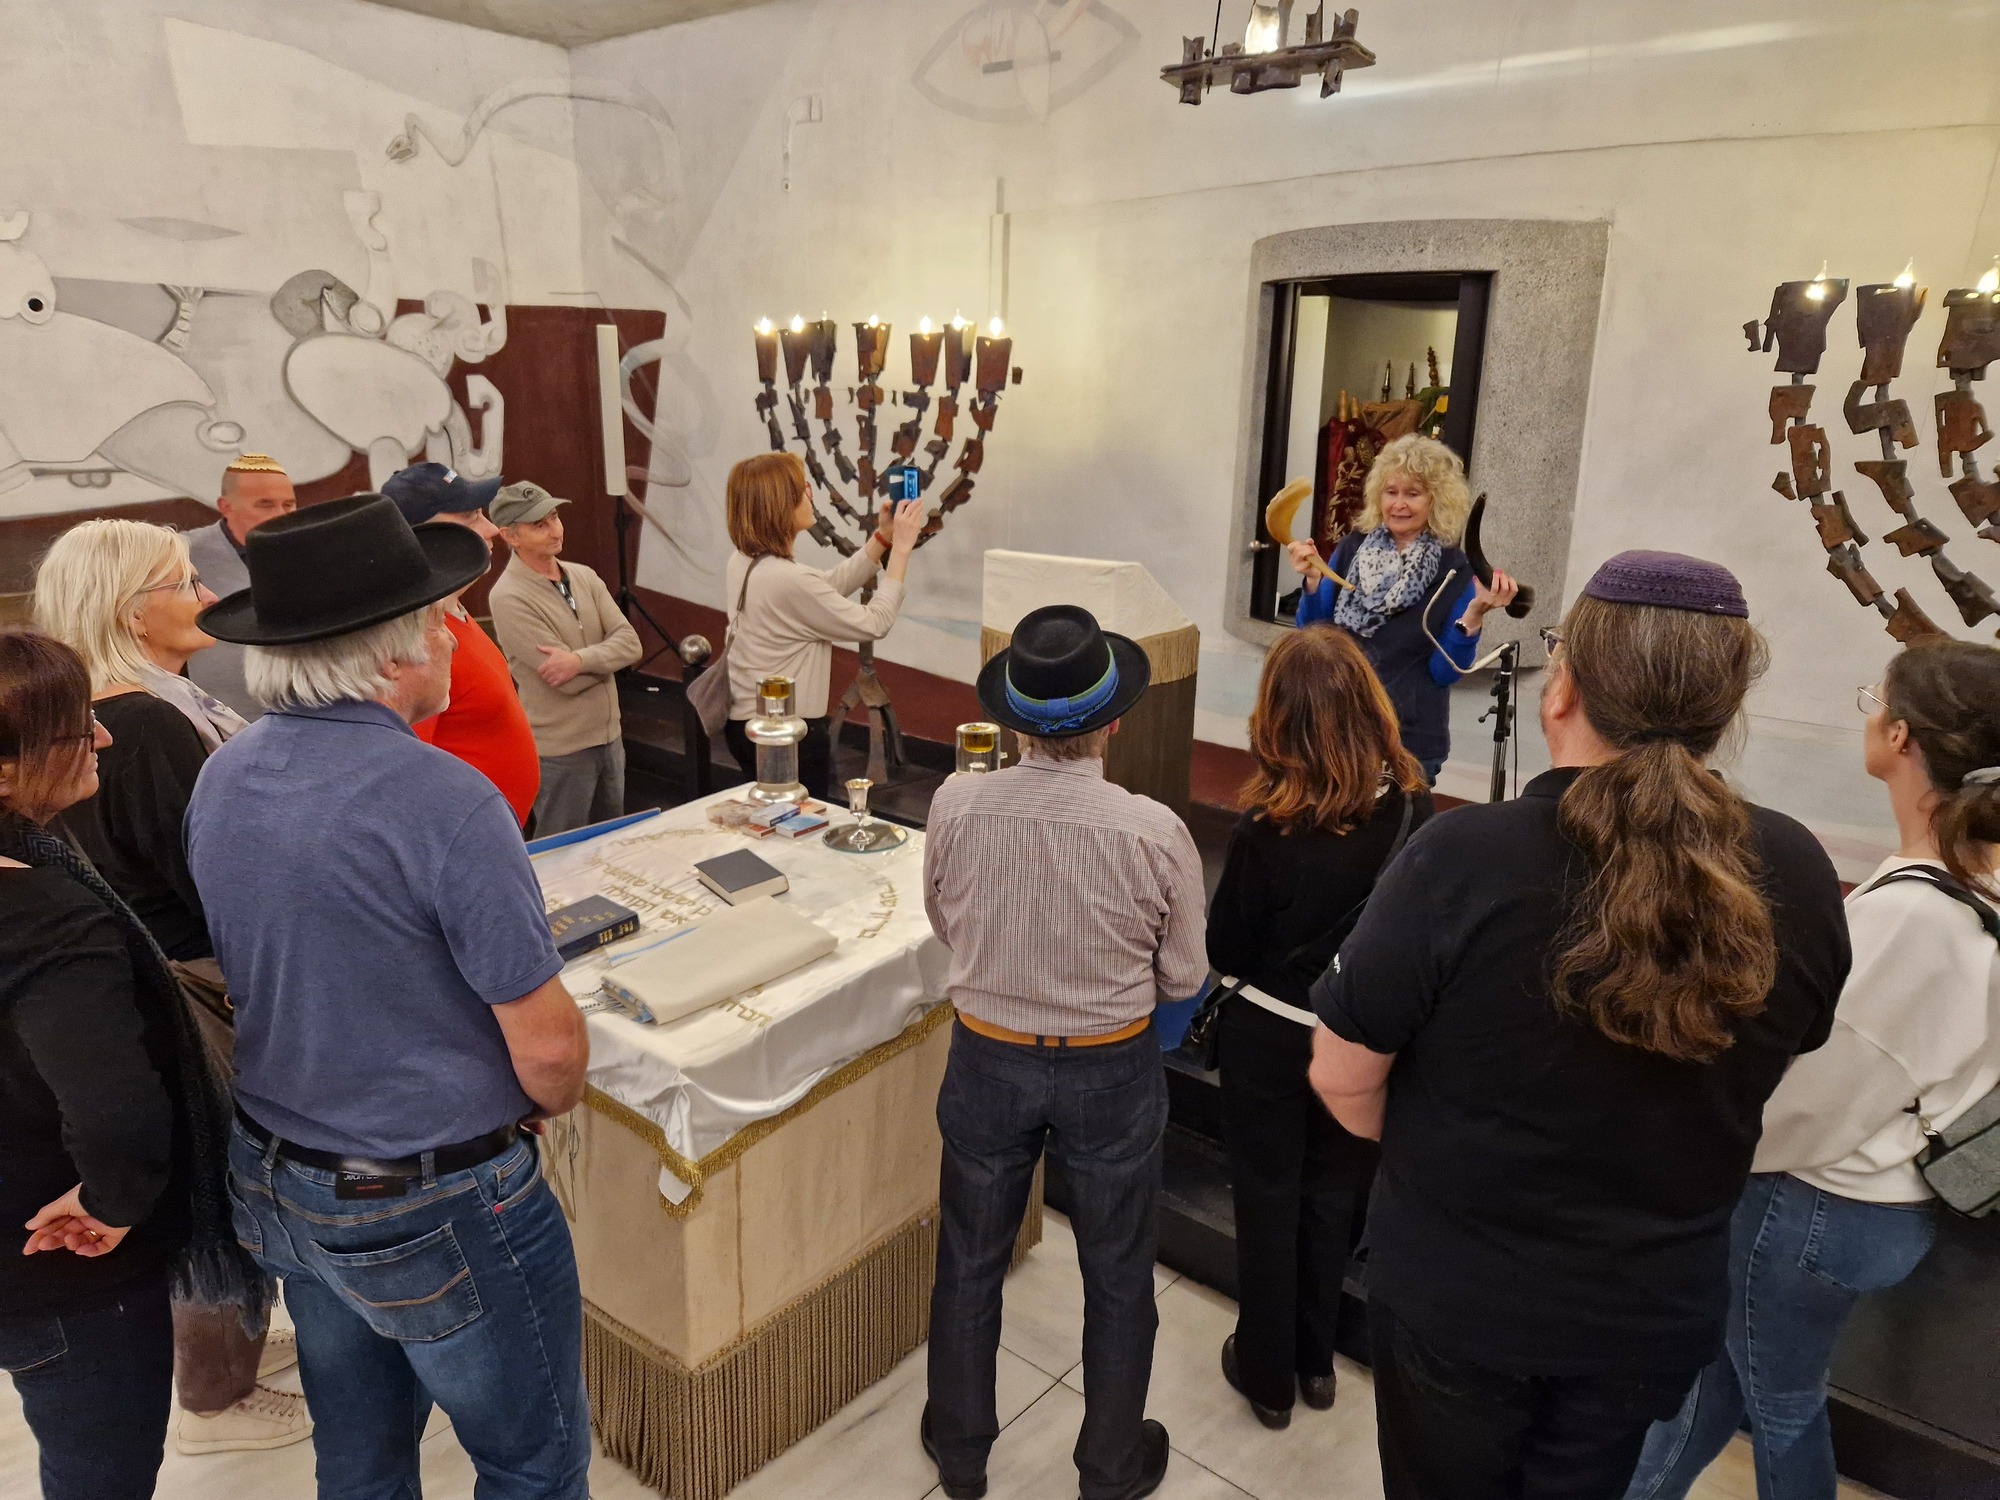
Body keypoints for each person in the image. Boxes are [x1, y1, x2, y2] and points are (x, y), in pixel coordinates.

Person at [1308, 551, 1851, 1500]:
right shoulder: (1798, 871)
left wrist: (1450, 1158)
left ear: (1563, 688)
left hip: (1460, 1293)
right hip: (1646, 1312)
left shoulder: (1461, 857)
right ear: (1723, 707)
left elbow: (1342, 1077)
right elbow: (1780, 1057)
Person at [184, 495, 593, 1498]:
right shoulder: (443, 798)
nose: (454, 635)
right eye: (440, 618)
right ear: (395, 652)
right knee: (533, 1464)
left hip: (279, 1169)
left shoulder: (225, 771)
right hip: (426, 1188)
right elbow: (548, 1052)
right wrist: (535, 1100)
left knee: (359, 1453)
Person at [1625, 637, 2000, 1500]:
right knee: (1717, 1379)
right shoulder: (1970, 879)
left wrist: (1703, 1150)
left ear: (1900, 736)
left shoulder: (1917, 917)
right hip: (1876, 1198)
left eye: (1876, 698)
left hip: (1819, 1203)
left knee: (1783, 1404)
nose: (1870, 714)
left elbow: (1815, 1098)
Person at [31, 518, 311, 1454]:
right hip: (200, 977)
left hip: (168, 972)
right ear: (128, 610)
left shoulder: (112, 710)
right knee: (218, 1173)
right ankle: (216, 1394)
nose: (206, 595)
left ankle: (228, 1346)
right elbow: (215, 875)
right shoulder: (144, 723)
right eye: (184, 582)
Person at [922, 604, 1207, 1500]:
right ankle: (1110, 1467)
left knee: (969, 1260)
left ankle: (960, 1453)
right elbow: (1184, 974)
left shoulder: (955, 801)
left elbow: (944, 921)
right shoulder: (1154, 830)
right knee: (1118, 1275)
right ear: (1113, 722)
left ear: (1014, 722)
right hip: (1111, 1067)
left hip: (987, 1054)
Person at [0, 628, 264, 1499]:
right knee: (99, 1474)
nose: (105, 737)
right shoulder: (44, 916)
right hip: (57, 1265)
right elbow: (116, 1113)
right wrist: (111, 1202)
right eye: (78, 729)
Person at [1204, 625, 1432, 1429]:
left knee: (1267, 1200)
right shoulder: (1412, 809)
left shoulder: (1264, 828)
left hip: (1268, 1035)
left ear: (1279, 720)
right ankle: (1317, 1362)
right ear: (1370, 706)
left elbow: (1226, 948)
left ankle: (1266, 1377)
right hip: (1358, 1033)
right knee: (1336, 1197)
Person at [1287, 434, 1517, 781]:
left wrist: (1474, 615)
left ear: (1436, 500)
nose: (1399, 504)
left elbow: (1444, 673)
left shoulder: (1455, 569)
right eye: (1391, 492)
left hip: (1409, 740)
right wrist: (1313, 581)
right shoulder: (1351, 549)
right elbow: (1313, 637)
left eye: (1413, 494)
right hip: (1336, 727)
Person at [721, 452, 925, 802]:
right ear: (780, 505)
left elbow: (824, 589)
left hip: (750, 725)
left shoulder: (744, 561)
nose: (811, 493)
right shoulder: (788, 580)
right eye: (803, 488)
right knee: (797, 829)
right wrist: (902, 551)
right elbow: (874, 623)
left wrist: (883, 538)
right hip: (788, 738)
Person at [382, 462, 540, 826]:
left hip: (498, 828)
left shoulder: (452, 612)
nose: (491, 529)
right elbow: (408, 771)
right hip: (466, 838)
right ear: (421, 536)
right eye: (470, 517)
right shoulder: (420, 637)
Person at [489, 480, 642, 835]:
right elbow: (565, 682)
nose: (555, 530)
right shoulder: (508, 596)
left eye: (555, 517)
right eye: (539, 524)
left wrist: (579, 661)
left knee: (613, 844)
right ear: (510, 536)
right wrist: (607, 662)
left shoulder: (584, 575)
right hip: (561, 751)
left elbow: (632, 644)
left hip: (610, 739)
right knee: (563, 851)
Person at [184, 452, 296, 721]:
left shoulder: (311, 549)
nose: (281, 515)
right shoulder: (183, 552)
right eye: (265, 504)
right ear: (226, 507)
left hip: (301, 713)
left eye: (289, 505)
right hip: (218, 720)